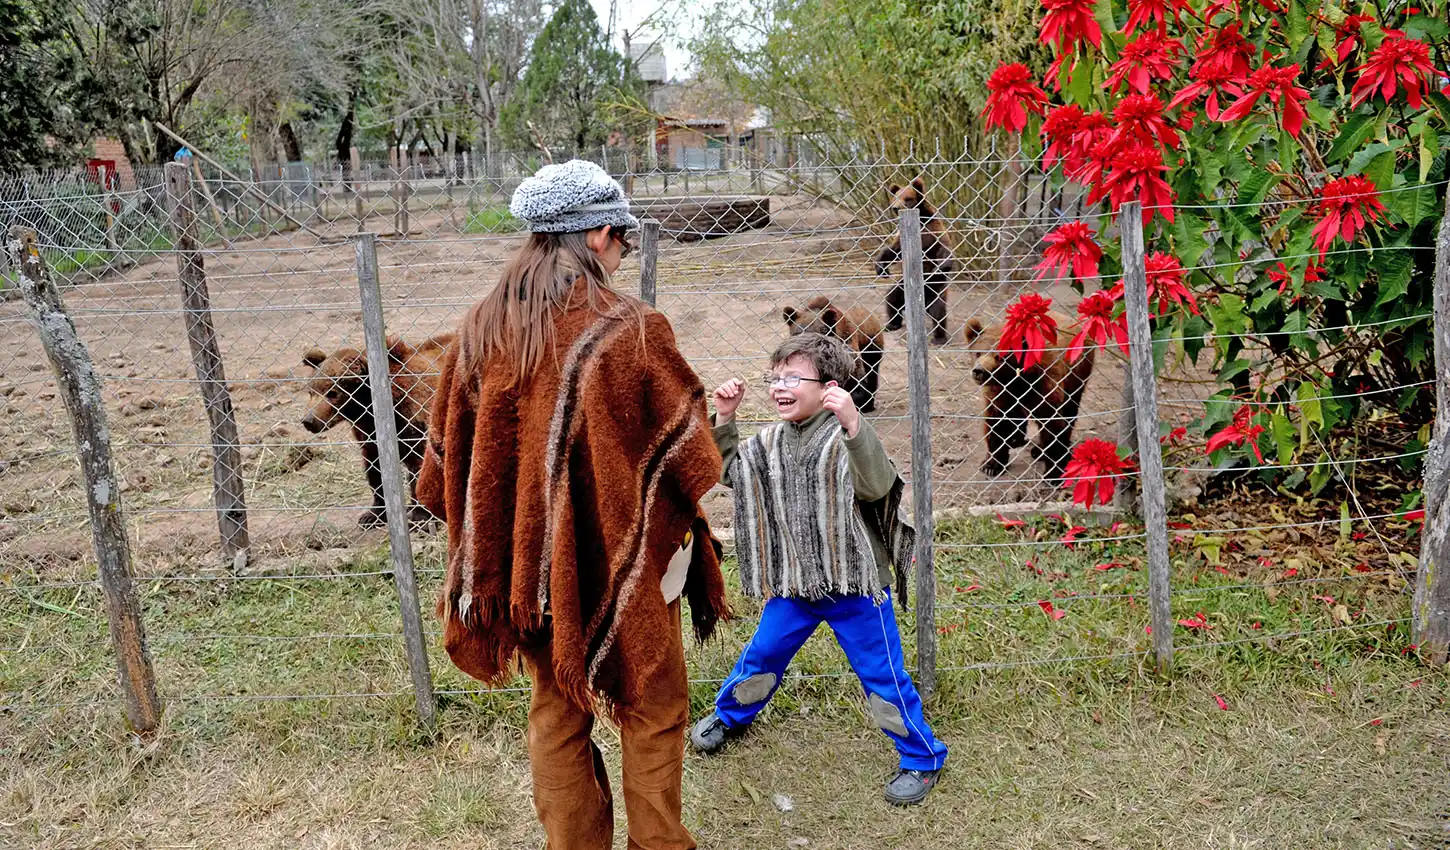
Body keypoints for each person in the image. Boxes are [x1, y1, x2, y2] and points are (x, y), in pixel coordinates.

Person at [417, 159, 730, 850]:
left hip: (528, 578)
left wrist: (516, 543)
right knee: (653, 707)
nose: (623, 253)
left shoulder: (479, 331)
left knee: (557, 711)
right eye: (622, 238)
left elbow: (451, 466)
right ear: (594, 234)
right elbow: (687, 453)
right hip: (633, 573)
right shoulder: (633, 330)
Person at [688, 332, 948, 806]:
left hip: (856, 588)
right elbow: (730, 472)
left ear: (829, 387)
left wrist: (853, 423)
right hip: (795, 586)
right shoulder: (769, 443)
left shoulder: (847, 439)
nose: (779, 386)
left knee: (882, 675)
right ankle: (730, 716)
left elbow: (876, 486)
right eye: (775, 377)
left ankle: (922, 757)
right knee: (762, 655)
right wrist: (725, 419)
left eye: (793, 377)